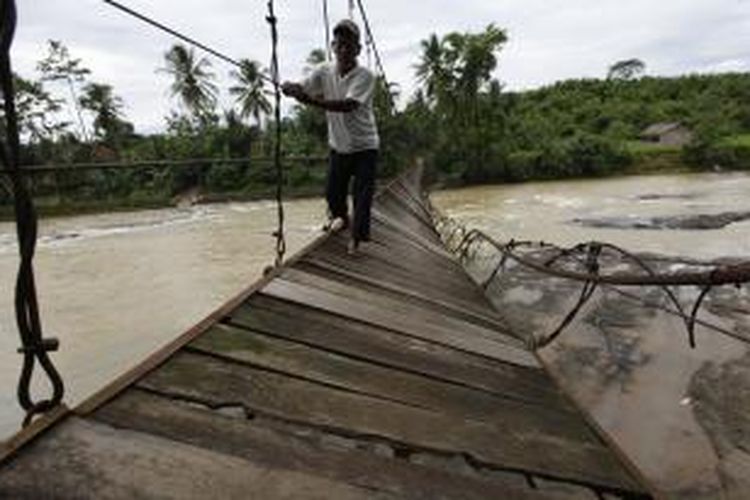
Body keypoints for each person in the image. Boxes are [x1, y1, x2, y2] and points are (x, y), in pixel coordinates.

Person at [282, 19, 379, 255]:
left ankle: (356, 239)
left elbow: (348, 105)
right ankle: (342, 219)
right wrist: (291, 87)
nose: (344, 50)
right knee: (332, 193)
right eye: (340, 45)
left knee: (362, 197)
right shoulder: (323, 70)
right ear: (333, 46)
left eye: (349, 45)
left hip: (365, 146)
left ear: (358, 49)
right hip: (339, 146)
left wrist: (310, 100)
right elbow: (304, 87)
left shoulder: (366, 76)